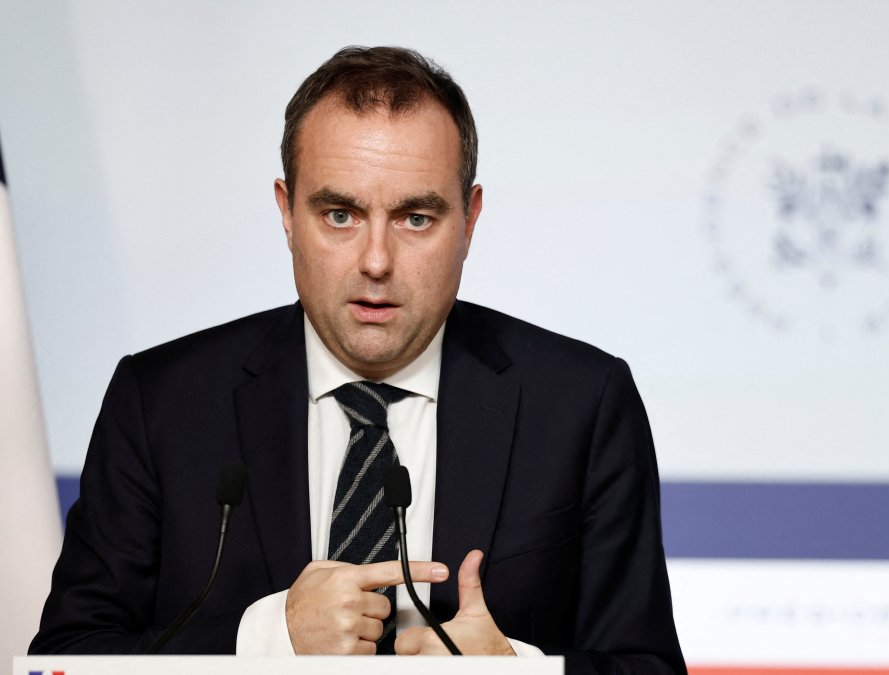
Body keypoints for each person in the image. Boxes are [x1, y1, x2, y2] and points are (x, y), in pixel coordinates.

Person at [30, 46, 685, 673]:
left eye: (416, 218)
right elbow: (65, 659)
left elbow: (647, 664)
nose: (375, 260)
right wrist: (267, 642)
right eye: (339, 214)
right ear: (287, 213)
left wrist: (515, 672)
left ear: (470, 219)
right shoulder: (161, 402)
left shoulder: (582, 404)